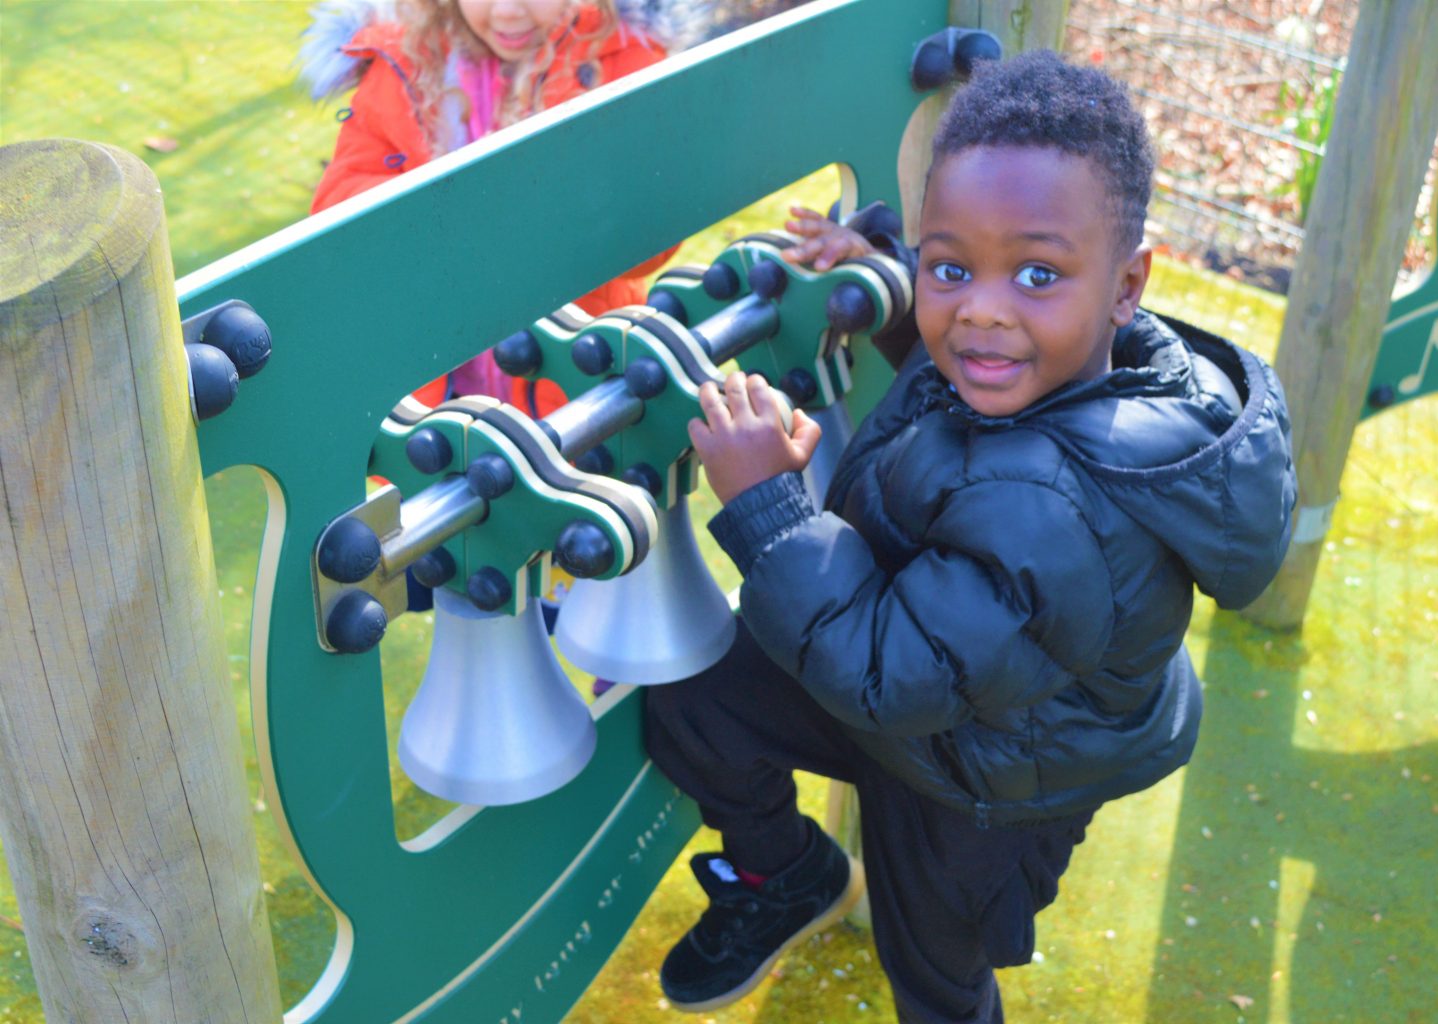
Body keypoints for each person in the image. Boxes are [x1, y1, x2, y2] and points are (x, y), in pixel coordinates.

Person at [643, 50, 1297, 1021]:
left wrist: (771, 508)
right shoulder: (1037, 362)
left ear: (1126, 286)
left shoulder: (1057, 508)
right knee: (696, 700)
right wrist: (882, 275)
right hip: (919, 682)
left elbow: (888, 674)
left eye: (1036, 273)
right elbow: (951, 365)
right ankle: (788, 876)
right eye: (949, 266)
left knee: (933, 972)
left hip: (987, 784)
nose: (982, 309)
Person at [299, 0, 699, 412]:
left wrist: (543, 207)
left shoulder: (621, 59)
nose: (507, 11)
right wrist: (447, 214)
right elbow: (338, 205)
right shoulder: (405, 60)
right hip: (434, 402)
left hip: (578, 390)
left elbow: (652, 237)